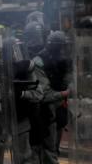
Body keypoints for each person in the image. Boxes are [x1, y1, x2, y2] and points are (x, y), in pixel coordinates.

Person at [32, 31, 73, 163]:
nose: (63, 50)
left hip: (59, 110)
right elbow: (43, 95)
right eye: (61, 47)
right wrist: (64, 93)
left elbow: (67, 82)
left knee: (54, 148)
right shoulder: (39, 62)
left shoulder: (63, 61)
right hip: (46, 112)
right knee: (48, 150)